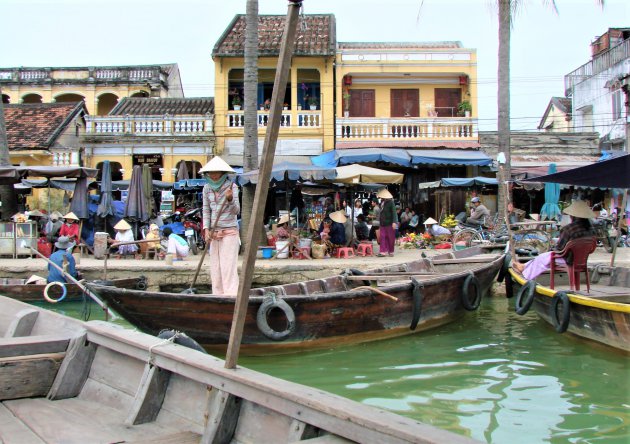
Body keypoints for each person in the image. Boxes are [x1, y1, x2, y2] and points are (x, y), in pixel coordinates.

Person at [512, 200, 596, 280]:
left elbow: (560, 249)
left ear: (572, 216)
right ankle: (524, 266)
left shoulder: (569, 229)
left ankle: (526, 276)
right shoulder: (591, 229)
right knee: (543, 257)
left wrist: (551, 248)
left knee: (542, 258)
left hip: (568, 259)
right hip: (582, 260)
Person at [200, 156, 240, 296]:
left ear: (223, 174)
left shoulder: (232, 187)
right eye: (211, 173)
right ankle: (217, 296)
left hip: (229, 232)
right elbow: (206, 210)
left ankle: (231, 296)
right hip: (213, 232)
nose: (214, 176)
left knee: (227, 267)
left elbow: (236, 211)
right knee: (215, 268)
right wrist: (206, 229)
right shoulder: (206, 188)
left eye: (217, 173)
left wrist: (229, 199)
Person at [377, 189, 397, 257]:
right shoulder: (382, 202)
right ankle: (382, 251)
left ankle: (391, 251)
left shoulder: (391, 202)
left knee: (390, 238)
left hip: (389, 223)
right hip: (382, 223)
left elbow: (394, 213)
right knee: (382, 237)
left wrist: (394, 222)